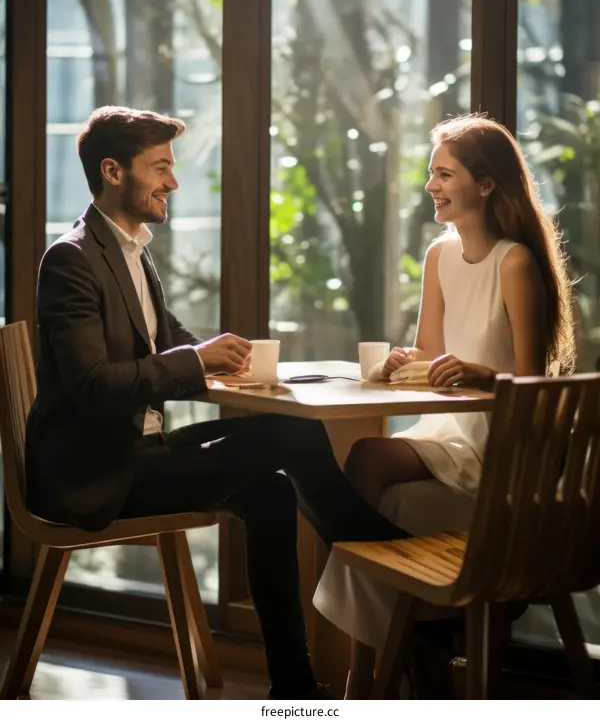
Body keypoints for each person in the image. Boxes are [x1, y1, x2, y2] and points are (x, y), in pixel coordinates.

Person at [25, 106, 409, 700]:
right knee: (289, 443)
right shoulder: (71, 259)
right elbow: (95, 387)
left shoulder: (132, 251)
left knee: (277, 478)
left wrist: (236, 361)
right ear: (113, 171)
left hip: (140, 453)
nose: (173, 183)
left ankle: (297, 689)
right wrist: (198, 361)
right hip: (97, 473)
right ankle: (399, 571)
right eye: (160, 168)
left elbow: (174, 348)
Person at [313, 112, 576, 698]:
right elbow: (431, 355)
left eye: (444, 174)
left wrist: (482, 373)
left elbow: (531, 383)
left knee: (366, 464)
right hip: (443, 434)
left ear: (485, 185)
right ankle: (413, 651)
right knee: (370, 472)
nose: (431, 186)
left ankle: (378, 669)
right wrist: (402, 360)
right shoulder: (439, 255)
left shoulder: (515, 262)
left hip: (497, 449)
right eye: (432, 173)